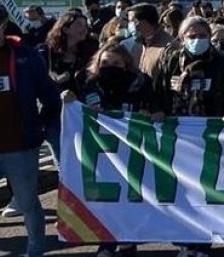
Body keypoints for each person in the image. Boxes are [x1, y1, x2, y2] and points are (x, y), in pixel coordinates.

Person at [0, 2, 60, 257]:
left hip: (21, 151)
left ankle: (35, 250)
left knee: (28, 205)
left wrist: (38, 129)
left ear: (2, 25)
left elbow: (50, 97)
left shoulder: (26, 57)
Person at [62, 42, 155, 257]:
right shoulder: (84, 81)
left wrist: (151, 112)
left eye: (116, 63)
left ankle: (128, 242)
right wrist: (68, 98)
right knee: (103, 200)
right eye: (105, 62)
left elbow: (154, 106)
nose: (110, 66)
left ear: (126, 64)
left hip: (131, 150)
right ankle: (106, 243)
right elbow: (70, 106)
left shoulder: (140, 82)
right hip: (98, 150)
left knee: (128, 199)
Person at [151, 16, 224, 120]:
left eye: (202, 36)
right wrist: (157, 110)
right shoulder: (171, 61)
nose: (197, 40)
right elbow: (159, 90)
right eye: (192, 37)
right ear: (183, 39)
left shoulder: (221, 61)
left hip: (211, 123)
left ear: (209, 37)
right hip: (175, 125)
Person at [40, 9, 99, 96]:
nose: (84, 29)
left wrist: (68, 75)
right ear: (65, 29)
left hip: (78, 103)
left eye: (85, 25)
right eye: (79, 25)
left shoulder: (91, 52)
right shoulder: (47, 51)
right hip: (53, 102)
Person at [122, 3, 177, 79]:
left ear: (145, 22)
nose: (129, 25)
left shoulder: (168, 47)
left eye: (132, 21)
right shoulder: (141, 44)